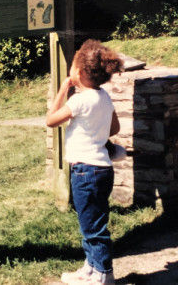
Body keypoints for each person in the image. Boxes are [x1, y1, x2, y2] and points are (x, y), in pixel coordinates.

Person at [46, 39, 123, 285]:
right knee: (90, 221)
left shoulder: (79, 100)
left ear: (77, 72)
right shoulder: (103, 97)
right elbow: (115, 128)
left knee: (93, 227)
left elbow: (51, 120)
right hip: (101, 169)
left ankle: (103, 275)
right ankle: (90, 268)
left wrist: (61, 89)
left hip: (84, 172)